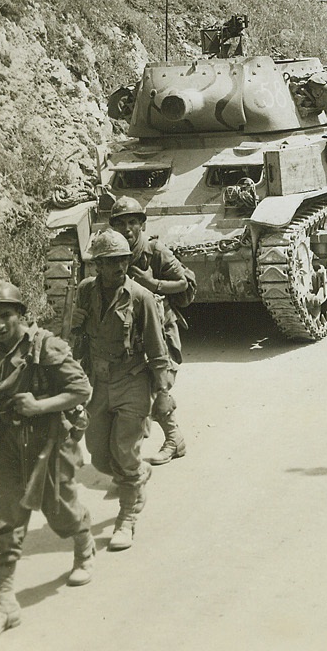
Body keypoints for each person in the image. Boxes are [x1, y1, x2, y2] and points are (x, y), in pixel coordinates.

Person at [0, 281, 95, 640]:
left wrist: (41, 405)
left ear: (21, 314)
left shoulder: (46, 345)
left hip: (49, 438)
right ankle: (5, 605)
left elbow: (81, 390)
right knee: (0, 521)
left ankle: (83, 543)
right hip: (6, 444)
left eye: (6, 316)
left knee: (60, 511)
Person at [70, 229, 173, 553]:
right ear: (97, 265)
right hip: (98, 382)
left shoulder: (140, 296)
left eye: (123, 261)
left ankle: (126, 518)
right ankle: (137, 476)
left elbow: (157, 348)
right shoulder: (85, 292)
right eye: (111, 262)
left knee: (124, 450)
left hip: (132, 380)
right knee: (100, 455)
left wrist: (163, 390)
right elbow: (71, 340)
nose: (119, 268)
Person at [106, 196, 195, 466]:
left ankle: (154, 447)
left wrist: (152, 283)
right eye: (121, 224)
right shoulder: (112, 254)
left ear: (142, 224)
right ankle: (168, 441)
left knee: (159, 385)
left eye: (133, 222)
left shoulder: (156, 251)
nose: (127, 229)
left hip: (161, 330)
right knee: (140, 390)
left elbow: (183, 283)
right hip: (129, 334)